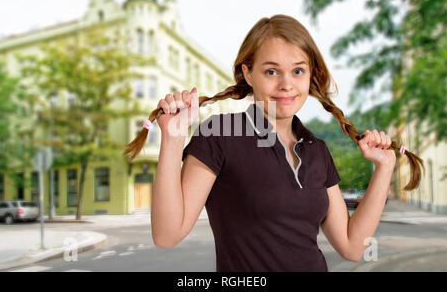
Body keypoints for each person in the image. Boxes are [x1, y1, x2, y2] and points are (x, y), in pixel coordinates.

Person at [123, 14, 425, 272]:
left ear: (311, 76)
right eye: (271, 71)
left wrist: (384, 169)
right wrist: (173, 140)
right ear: (248, 73)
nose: (286, 84)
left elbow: (351, 246)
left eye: (297, 70)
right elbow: (166, 234)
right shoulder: (219, 134)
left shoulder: (316, 148)